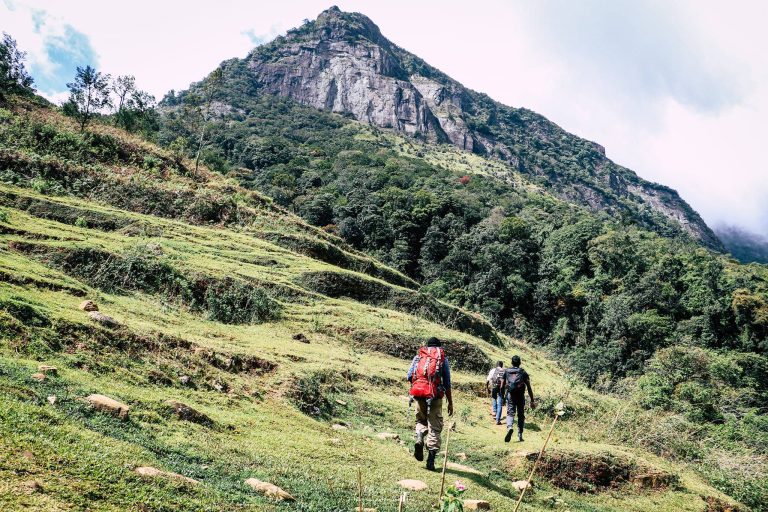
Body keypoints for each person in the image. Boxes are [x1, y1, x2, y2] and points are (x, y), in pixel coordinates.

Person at [407, 337, 454, 470]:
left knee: (421, 420)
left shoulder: (419, 357)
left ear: (427, 346)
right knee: (435, 427)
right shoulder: (442, 359)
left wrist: (419, 386)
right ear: (439, 347)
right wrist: (450, 402)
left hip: (419, 394)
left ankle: (420, 437)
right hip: (435, 396)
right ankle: (430, 460)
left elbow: (409, 375)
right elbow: (447, 383)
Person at [500, 355, 535, 442]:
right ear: (519, 363)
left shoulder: (507, 371)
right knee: (520, 415)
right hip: (520, 396)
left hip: (510, 395)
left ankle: (510, 427)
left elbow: (502, 386)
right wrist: (532, 400)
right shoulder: (523, 372)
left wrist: (503, 397)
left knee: (510, 413)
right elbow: (529, 387)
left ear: (512, 363)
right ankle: (520, 434)